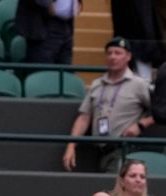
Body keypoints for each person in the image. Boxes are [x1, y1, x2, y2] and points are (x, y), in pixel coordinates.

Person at [62, 37, 154, 173]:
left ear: (128, 56)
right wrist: (71, 146)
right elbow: (84, 117)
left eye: (118, 53)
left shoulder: (138, 84)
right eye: (109, 53)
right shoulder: (97, 84)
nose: (112, 57)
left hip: (123, 150)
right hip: (99, 151)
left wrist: (141, 125)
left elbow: (160, 111)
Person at [15, 0, 79, 64]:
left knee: (65, 70)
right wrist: (46, 2)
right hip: (43, 25)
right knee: (43, 69)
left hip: (66, 27)